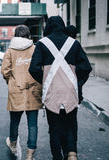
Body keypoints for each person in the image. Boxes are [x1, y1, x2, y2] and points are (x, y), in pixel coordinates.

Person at [29, 16, 92, 160]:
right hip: (70, 91)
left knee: (55, 127)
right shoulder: (74, 43)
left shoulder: (41, 44)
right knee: (70, 123)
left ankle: (57, 156)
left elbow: (33, 69)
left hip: (52, 92)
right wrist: (75, 81)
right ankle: (71, 153)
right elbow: (86, 67)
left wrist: (46, 80)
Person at [1, 25, 42, 160]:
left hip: (16, 91)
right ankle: (30, 155)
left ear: (16, 36)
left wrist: (12, 82)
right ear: (29, 35)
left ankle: (12, 144)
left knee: (14, 121)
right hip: (33, 90)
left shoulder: (10, 51)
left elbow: (5, 71)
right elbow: (40, 68)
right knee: (32, 125)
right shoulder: (35, 49)